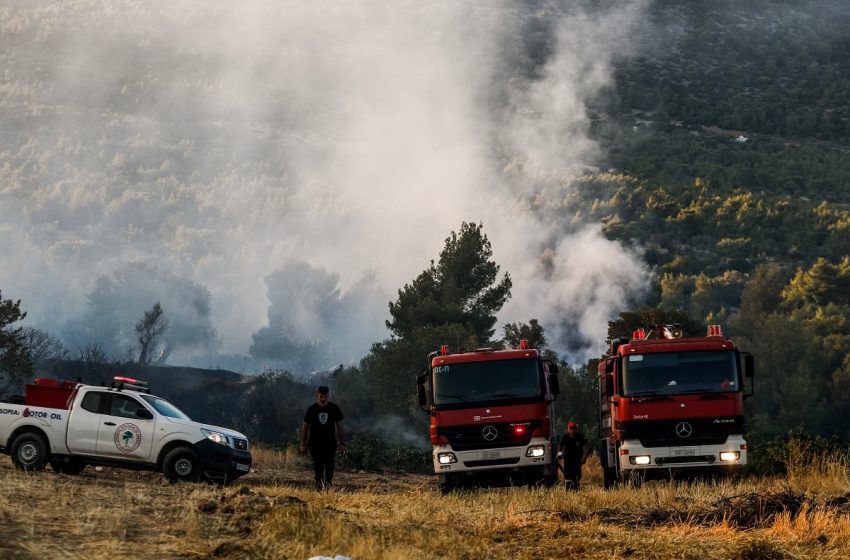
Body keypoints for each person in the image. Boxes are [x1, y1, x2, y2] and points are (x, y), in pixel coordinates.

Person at [299, 385, 346, 490]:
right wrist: (302, 443)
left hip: (330, 443)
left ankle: (328, 486)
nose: (323, 399)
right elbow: (305, 427)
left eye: (326, 396)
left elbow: (340, 426)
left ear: (329, 396)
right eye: (321, 396)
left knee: (330, 465)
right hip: (315, 443)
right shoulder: (311, 409)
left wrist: (342, 442)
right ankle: (319, 487)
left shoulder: (334, 408)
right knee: (318, 465)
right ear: (317, 396)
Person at [558, 421, 591, 491]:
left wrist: (584, 457)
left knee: (576, 477)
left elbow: (588, 446)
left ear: (576, 429)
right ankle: (568, 490)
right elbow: (560, 445)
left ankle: (576, 489)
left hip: (577, 461)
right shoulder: (565, 437)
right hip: (568, 460)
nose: (572, 430)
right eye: (571, 429)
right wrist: (559, 453)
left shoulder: (580, 437)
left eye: (574, 429)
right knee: (567, 476)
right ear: (568, 429)